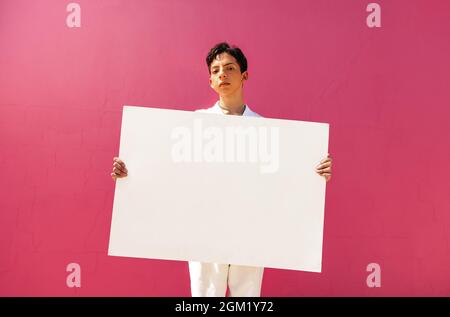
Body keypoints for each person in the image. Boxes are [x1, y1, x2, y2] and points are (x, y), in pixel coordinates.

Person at [111, 42, 333, 297]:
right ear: (210, 81)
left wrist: (315, 174)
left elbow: (282, 181)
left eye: (229, 68)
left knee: (246, 300)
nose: (222, 75)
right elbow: (169, 170)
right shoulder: (194, 124)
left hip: (250, 229)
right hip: (204, 229)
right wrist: (131, 172)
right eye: (216, 71)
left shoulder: (266, 130)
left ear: (244, 75)